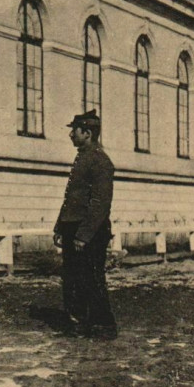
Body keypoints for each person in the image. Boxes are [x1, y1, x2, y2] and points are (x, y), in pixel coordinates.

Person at [53, 110, 117, 340]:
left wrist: (84, 235)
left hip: (90, 230)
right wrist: (60, 227)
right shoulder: (83, 157)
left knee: (91, 277)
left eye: (75, 130)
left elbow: (100, 204)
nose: (71, 134)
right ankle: (79, 323)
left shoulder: (100, 161)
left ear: (87, 133)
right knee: (72, 277)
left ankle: (104, 325)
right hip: (74, 227)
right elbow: (72, 198)